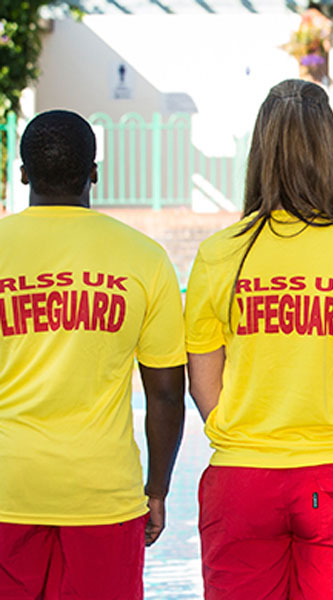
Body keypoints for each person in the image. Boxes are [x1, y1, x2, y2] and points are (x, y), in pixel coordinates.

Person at [185, 79, 333, 600]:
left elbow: (203, 385)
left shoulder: (219, 254)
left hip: (242, 479)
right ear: (332, 151)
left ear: (259, 151)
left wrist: (242, 436)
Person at [0, 110, 186, 599]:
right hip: (102, 496)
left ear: (22, 174)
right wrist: (157, 490)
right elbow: (167, 396)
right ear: (95, 173)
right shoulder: (144, 258)